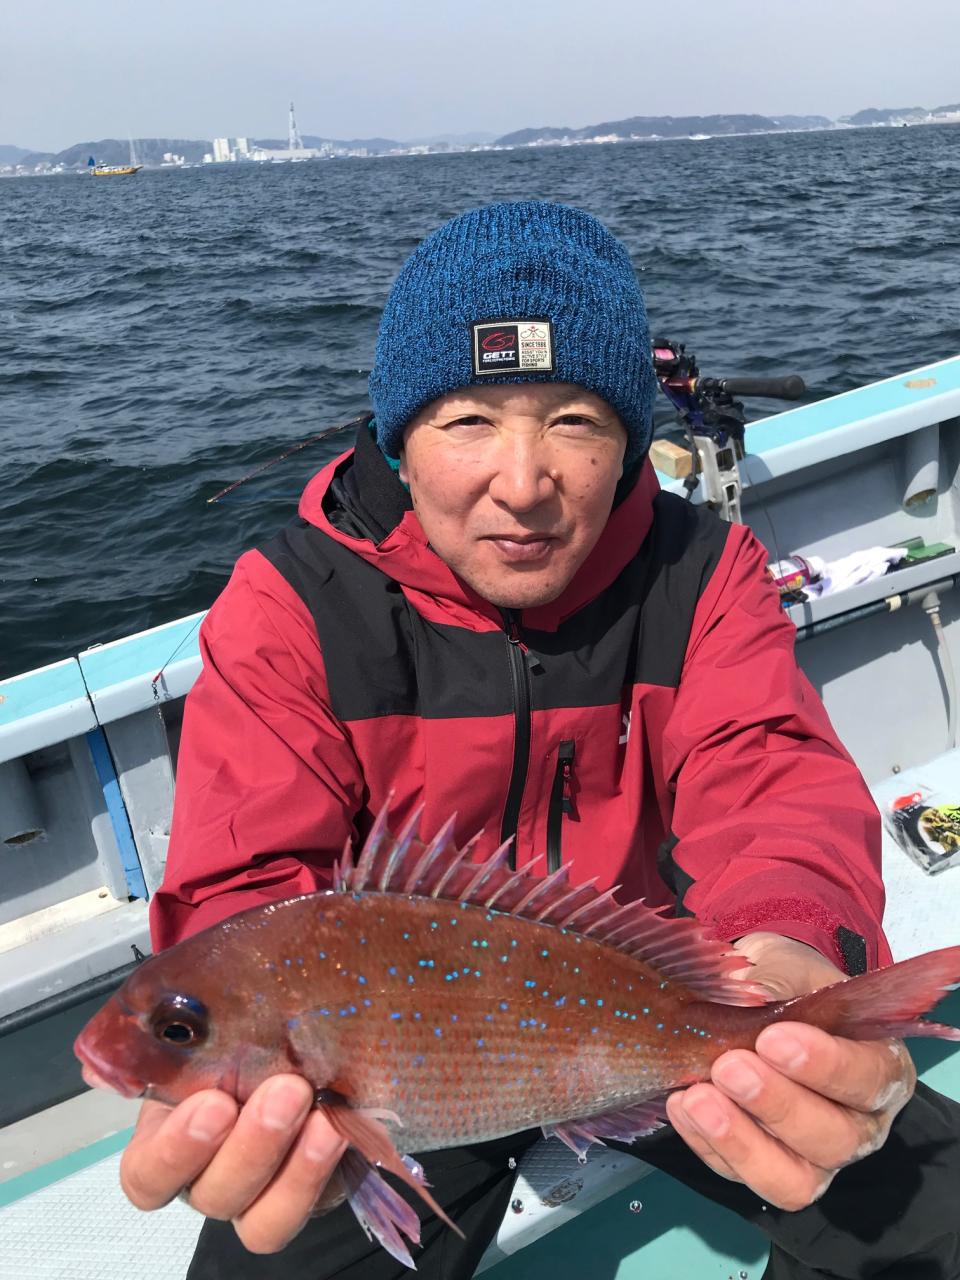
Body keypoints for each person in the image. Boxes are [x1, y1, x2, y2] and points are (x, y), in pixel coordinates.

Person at [120, 202, 959, 1279]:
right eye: (468, 419)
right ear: (400, 440)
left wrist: (793, 944)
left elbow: (771, 779)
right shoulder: (291, 604)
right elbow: (246, 884)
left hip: (656, 1006)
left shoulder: (703, 573)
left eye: (574, 420)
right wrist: (244, 1060)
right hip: (391, 1063)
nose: (522, 484)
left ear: (628, 442)